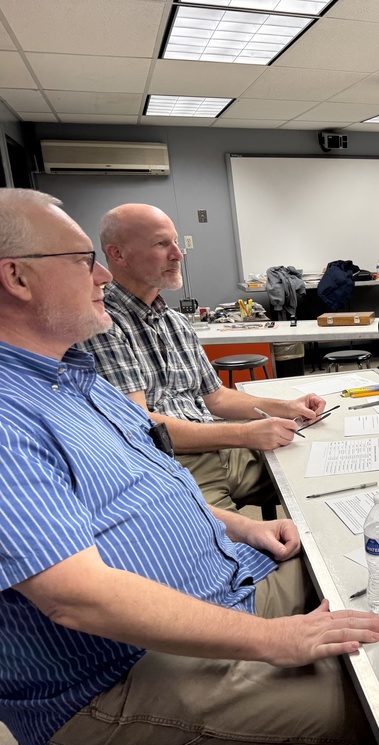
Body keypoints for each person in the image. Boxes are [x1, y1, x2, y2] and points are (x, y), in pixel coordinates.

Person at [0, 189, 379, 745]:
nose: (101, 275)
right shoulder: (10, 415)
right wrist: (274, 641)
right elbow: (75, 600)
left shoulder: (73, 376)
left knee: (368, 570)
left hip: (228, 581)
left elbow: (147, 486)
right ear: (17, 278)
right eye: (84, 261)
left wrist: (237, 526)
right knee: (373, 714)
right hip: (118, 671)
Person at [78, 203, 324, 514]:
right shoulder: (104, 324)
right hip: (173, 464)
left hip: (220, 446)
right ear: (117, 254)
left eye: (176, 242)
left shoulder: (175, 322)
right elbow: (139, 425)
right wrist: (246, 433)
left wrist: (286, 407)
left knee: (320, 477)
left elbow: (216, 398)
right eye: (160, 244)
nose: (178, 255)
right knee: (238, 554)